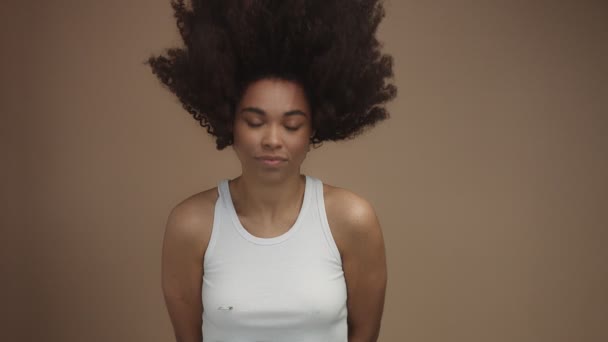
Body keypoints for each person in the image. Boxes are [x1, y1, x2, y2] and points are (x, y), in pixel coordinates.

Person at [146, 1, 396, 341]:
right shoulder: (191, 226)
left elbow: (365, 334)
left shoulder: (352, 221)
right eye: (254, 121)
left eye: (292, 124)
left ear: (314, 130)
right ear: (228, 122)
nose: (272, 139)